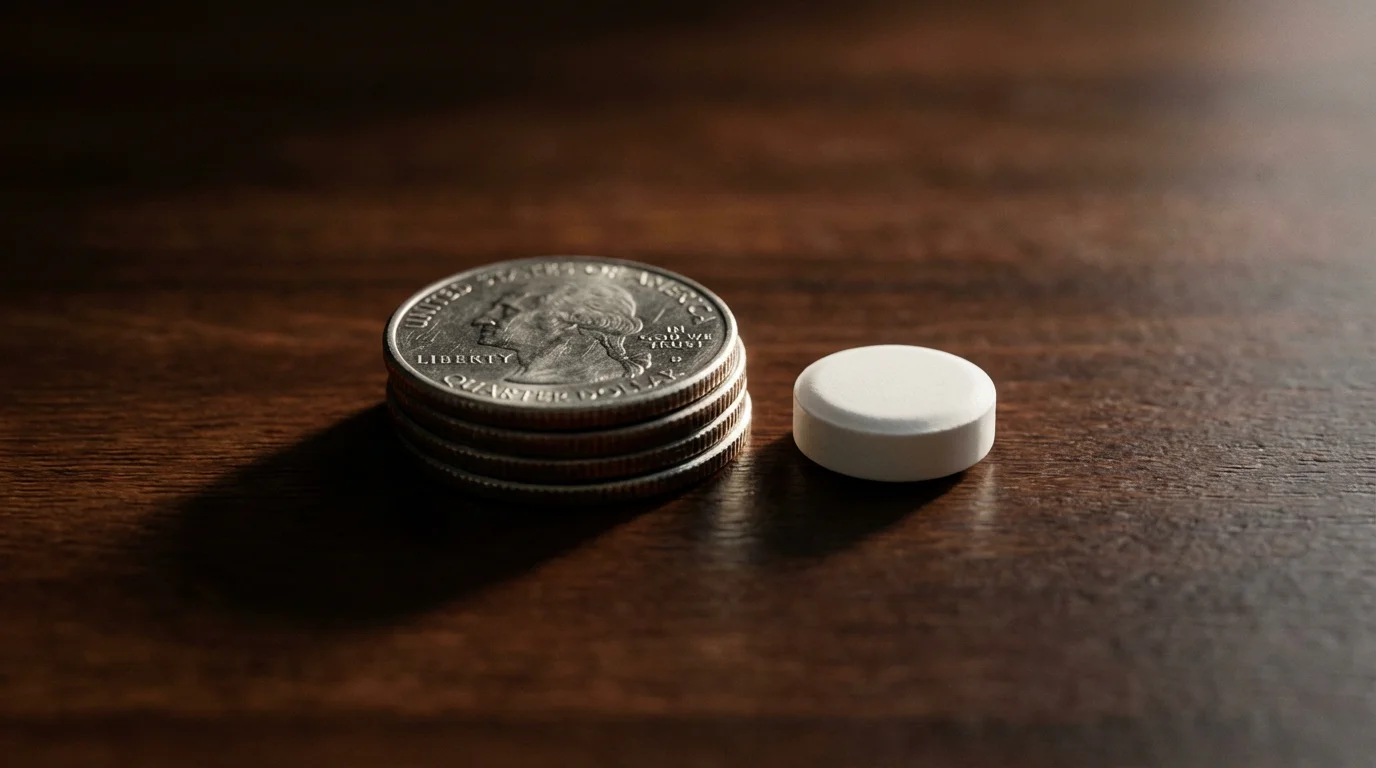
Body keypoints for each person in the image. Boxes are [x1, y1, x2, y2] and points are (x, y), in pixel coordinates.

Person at [472, 278, 651, 385]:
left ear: (571, 318)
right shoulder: (532, 376)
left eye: (508, 311)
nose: (481, 320)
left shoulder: (592, 375)